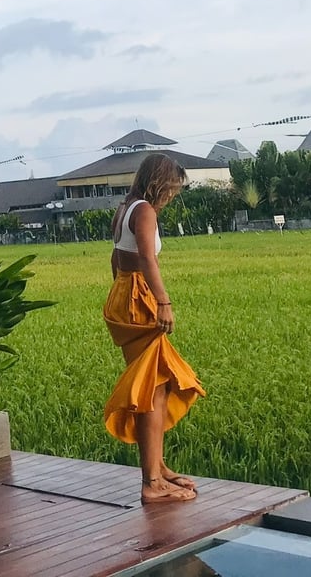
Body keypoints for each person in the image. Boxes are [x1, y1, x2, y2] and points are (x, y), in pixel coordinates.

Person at [103, 153, 205, 504]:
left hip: (127, 293)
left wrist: (122, 292)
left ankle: (158, 468)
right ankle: (152, 482)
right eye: (173, 187)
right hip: (140, 298)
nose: (173, 194)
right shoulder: (144, 210)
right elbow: (147, 258)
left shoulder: (125, 208)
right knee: (151, 388)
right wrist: (162, 301)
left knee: (157, 384)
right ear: (160, 182)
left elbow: (116, 258)